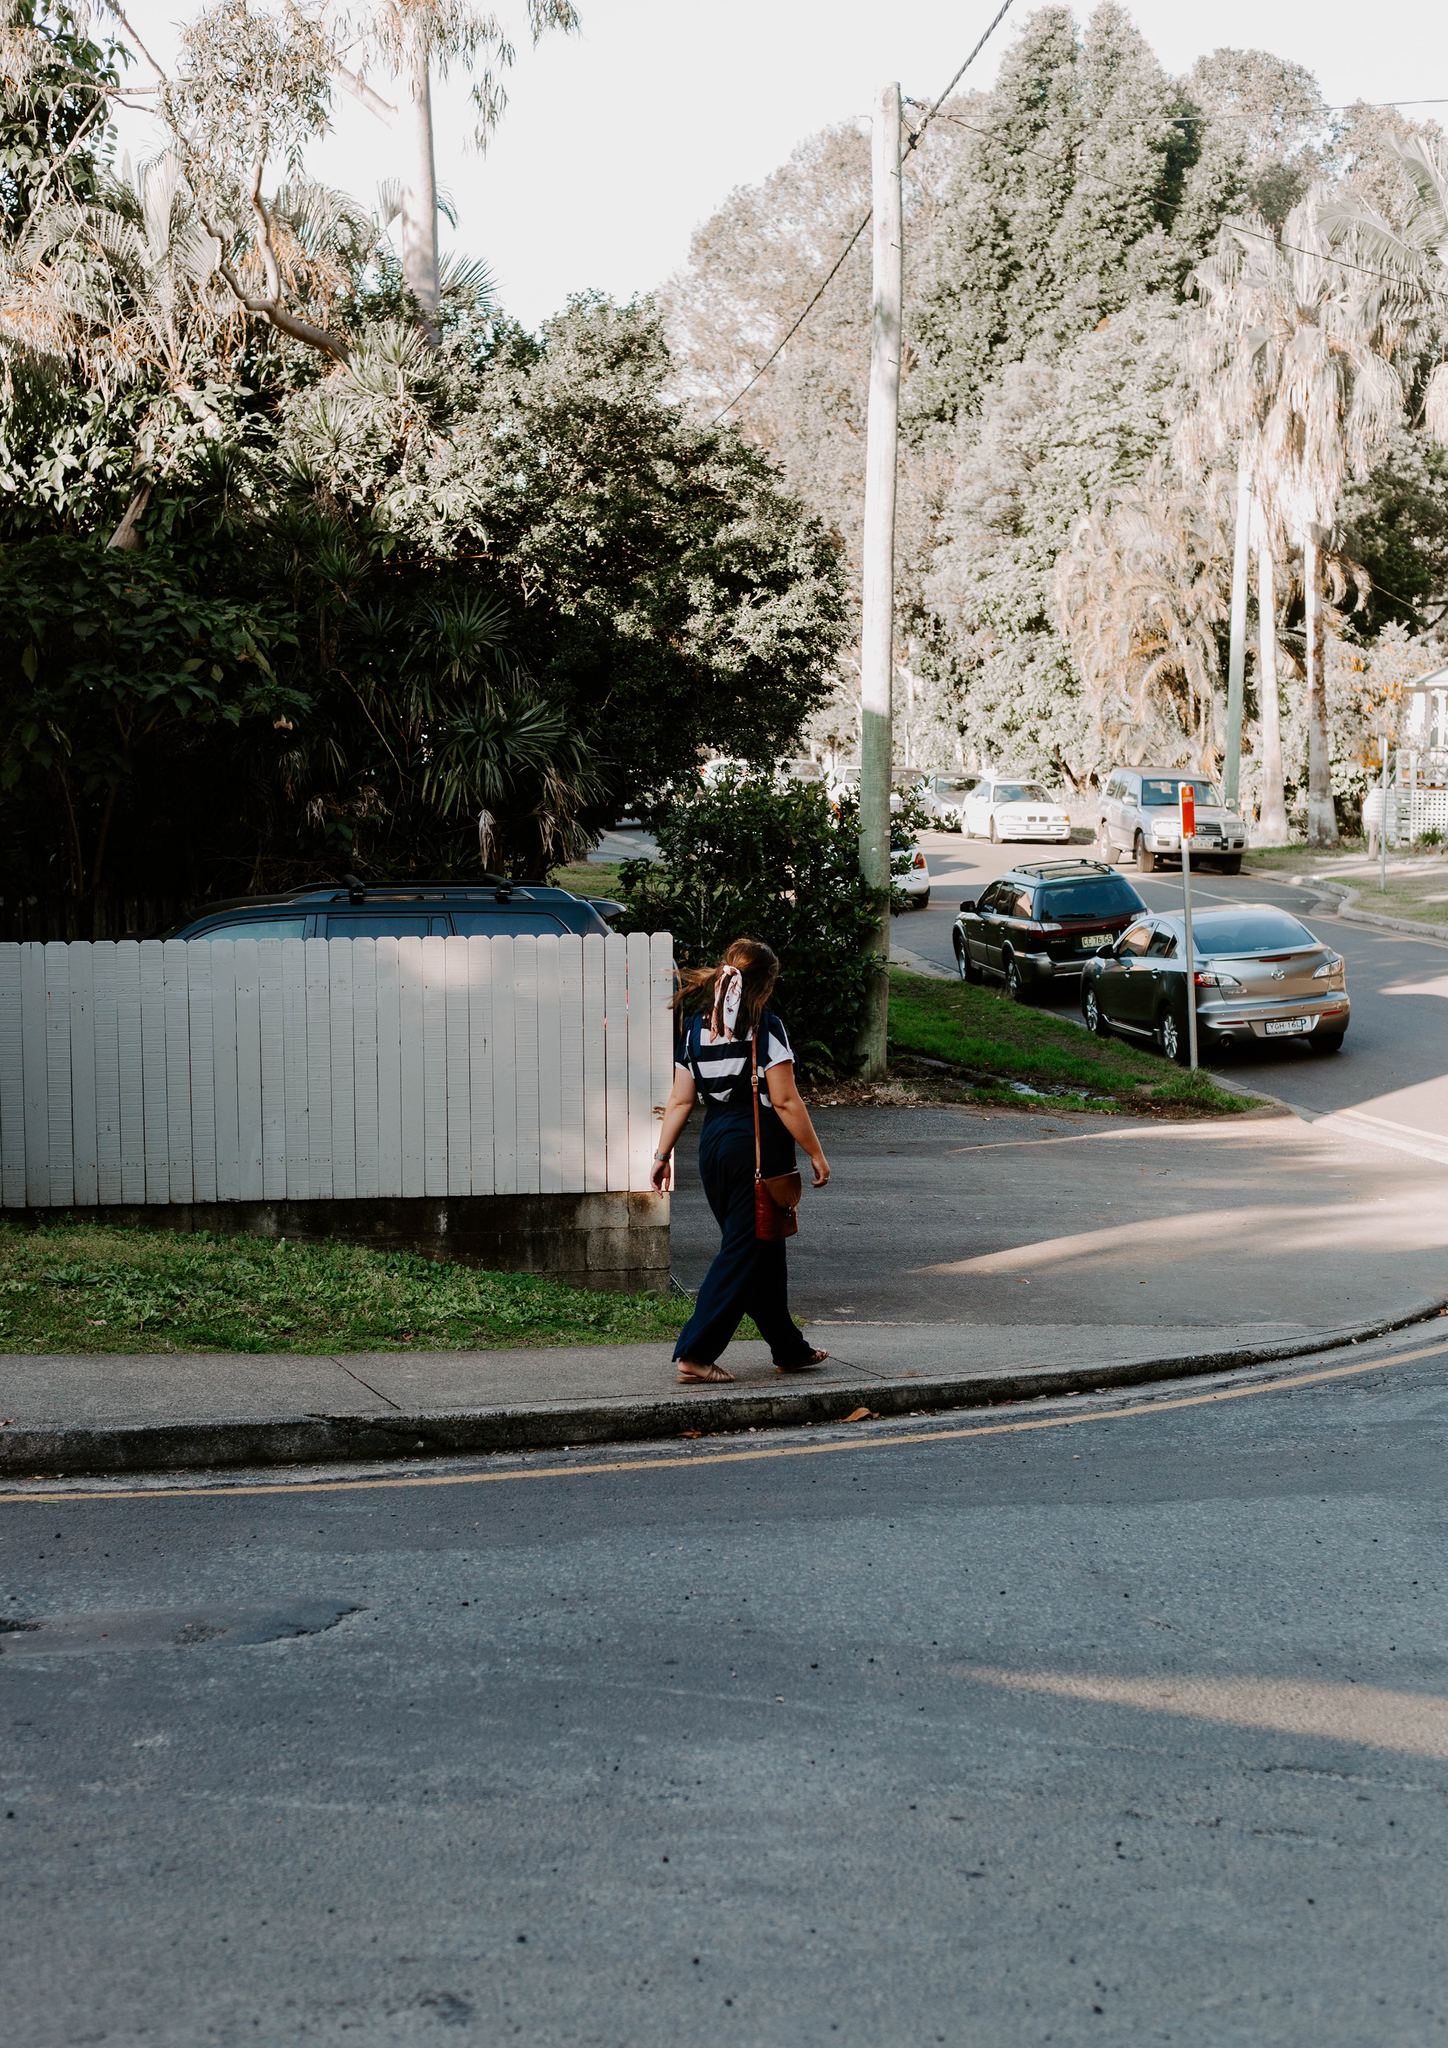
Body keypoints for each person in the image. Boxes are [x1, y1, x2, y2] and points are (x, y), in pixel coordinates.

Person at [651, 938, 831, 1384]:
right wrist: (815, 1152)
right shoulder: (765, 1027)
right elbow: (786, 1101)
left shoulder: (695, 1028)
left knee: (762, 1249)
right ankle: (695, 1352)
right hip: (755, 1145)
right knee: (742, 1251)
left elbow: (679, 1101)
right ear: (764, 985)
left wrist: (662, 1154)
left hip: (713, 1146)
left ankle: (789, 1349)